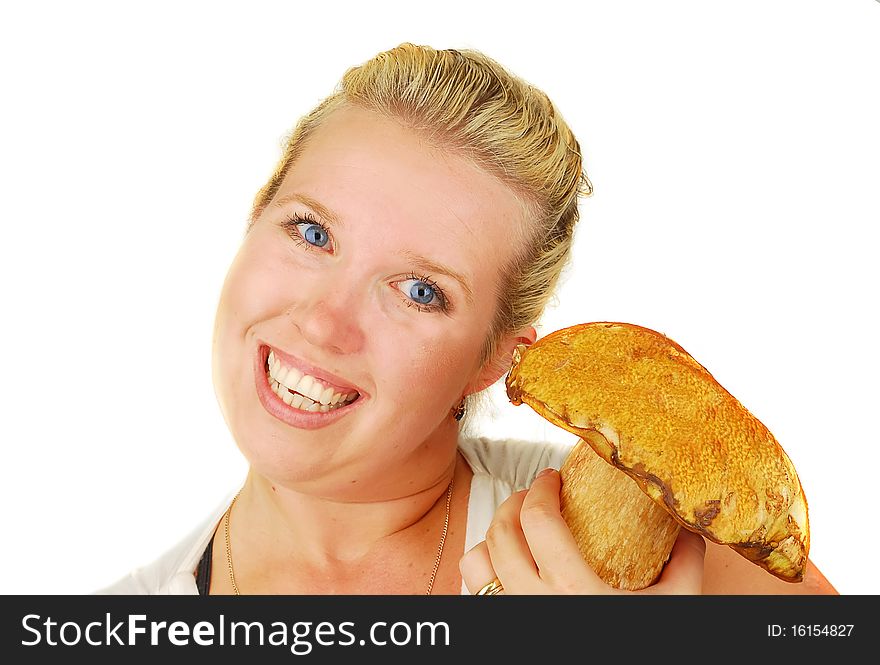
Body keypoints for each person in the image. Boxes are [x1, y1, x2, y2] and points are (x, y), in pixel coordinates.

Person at [99, 42, 836, 595]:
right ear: (256, 215)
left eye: (420, 290)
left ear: (496, 358)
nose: (324, 323)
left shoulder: (649, 538)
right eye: (311, 232)